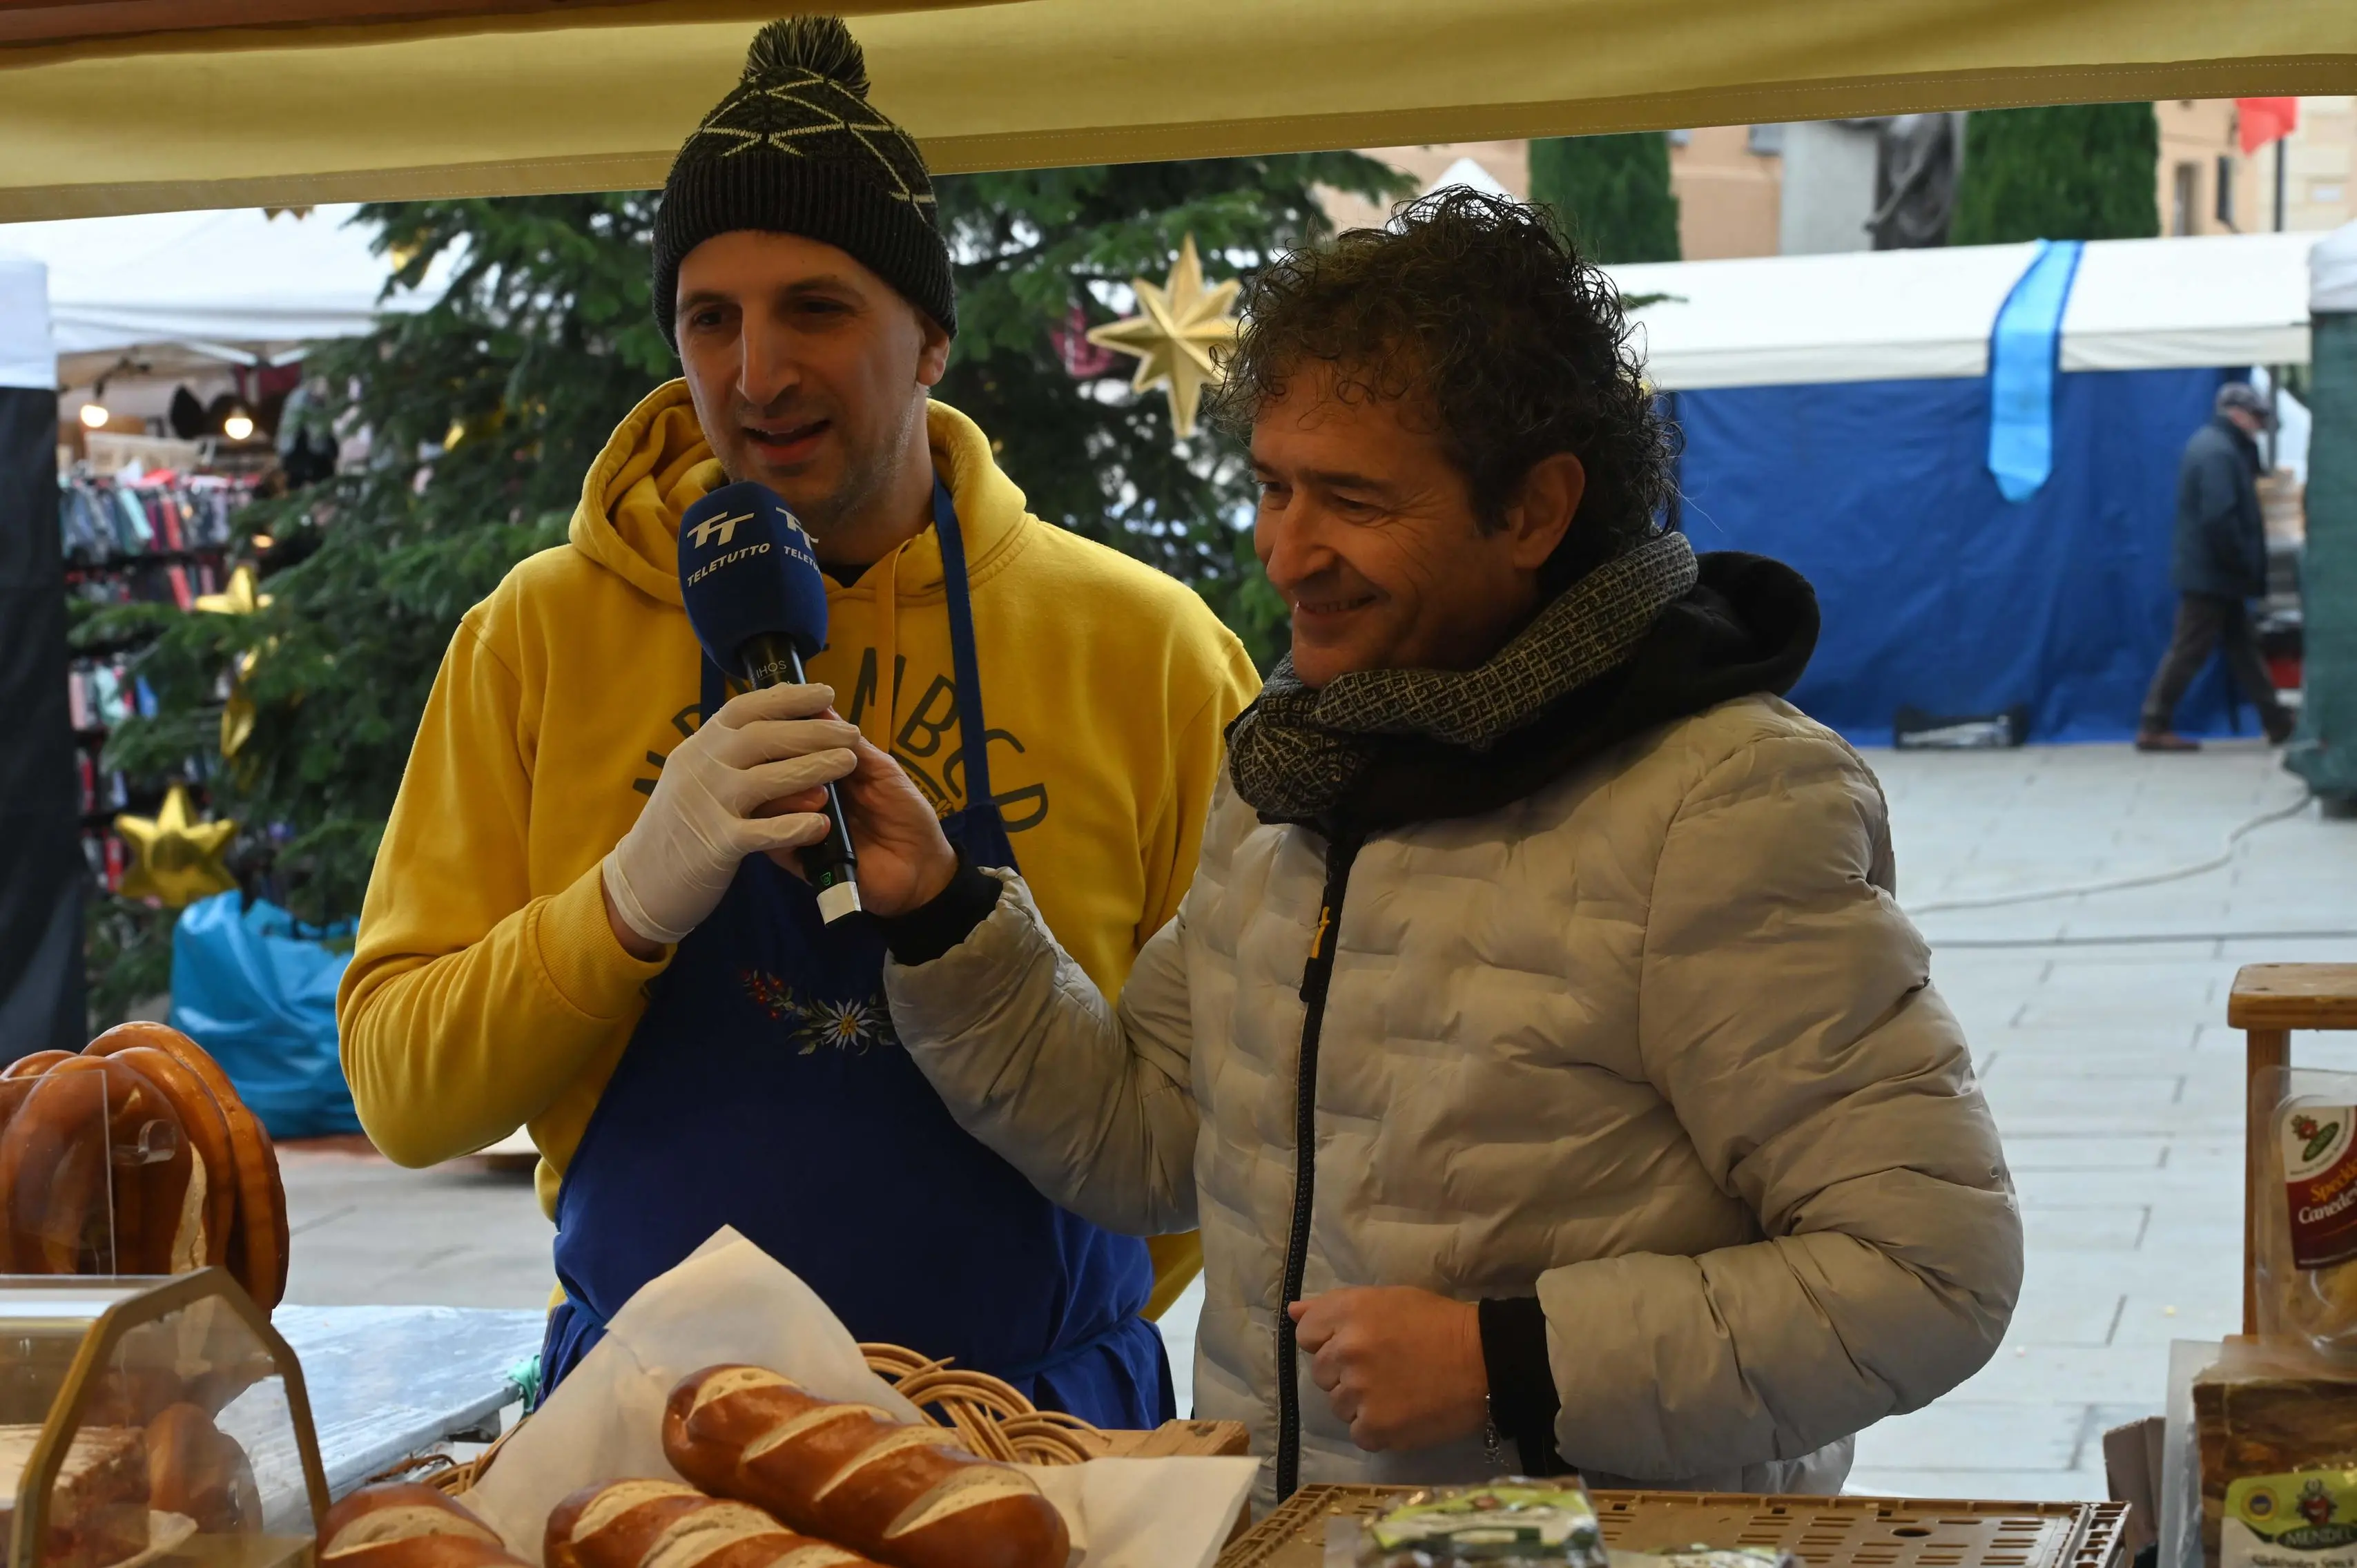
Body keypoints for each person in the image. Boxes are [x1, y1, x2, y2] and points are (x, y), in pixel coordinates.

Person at [762, 190, 2022, 1504]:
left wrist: (1507, 1361)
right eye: (1270, 485)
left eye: (1348, 500)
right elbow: (1144, 1141)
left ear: (1532, 510)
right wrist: (943, 919)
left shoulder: (1721, 800)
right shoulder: (1290, 773)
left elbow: (1929, 1272)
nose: (1283, 548)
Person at [335, 16, 1259, 1424]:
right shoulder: (535, 636)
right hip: (656, 1440)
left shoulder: (1150, 650)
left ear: (930, 334)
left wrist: (1045, 1323)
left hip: (1043, 1434)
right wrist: (628, 900)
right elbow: (403, 1093)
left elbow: (1236, 1120)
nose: (755, 374)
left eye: (816, 308)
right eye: (711, 316)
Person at [2137, 382, 2293, 751]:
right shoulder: (2219, 454)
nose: (2258, 425)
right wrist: (2240, 561)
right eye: (2255, 418)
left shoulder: (2214, 446)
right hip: (2214, 573)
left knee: (2242, 647)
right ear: (2237, 415)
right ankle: (2153, 724)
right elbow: (2219, 518)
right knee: (2190, 647)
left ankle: (2277, 722)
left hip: (2215, 570)